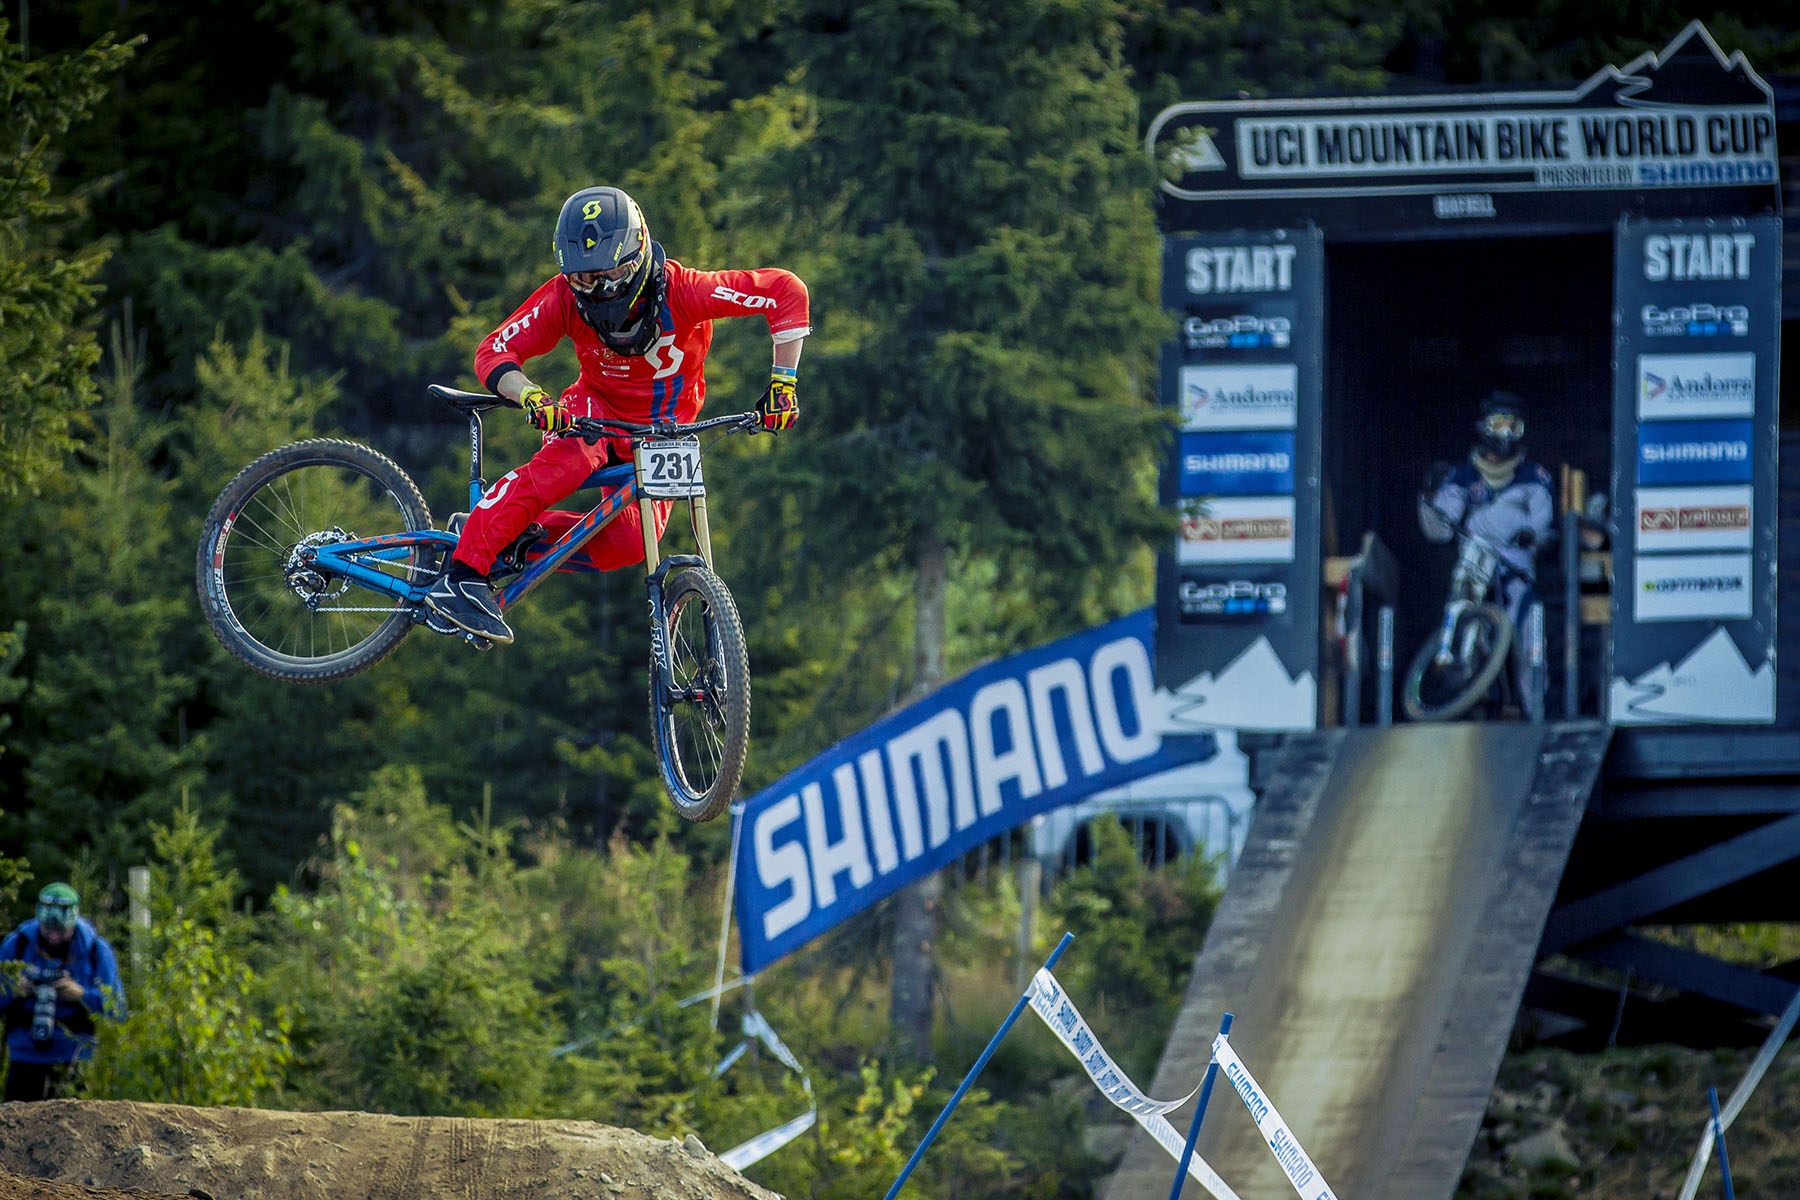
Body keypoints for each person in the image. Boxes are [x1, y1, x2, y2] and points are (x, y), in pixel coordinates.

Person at [424, 186, 811, 645]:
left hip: (664, 434)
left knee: (630, 544)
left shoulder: (687, 290)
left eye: (607, 274)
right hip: (595, 412)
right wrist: (531, 397)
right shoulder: (564, 299)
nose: (597, 288)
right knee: (569, 462)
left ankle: (500, 534)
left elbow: (786, 290)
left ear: (638, 255)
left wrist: (783, 383)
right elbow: (494, 350)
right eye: (583, 279)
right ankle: (463, 574)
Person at [1, 883, 127, 1101]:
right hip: (24, 1055)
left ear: (74, 922)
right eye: (47, 930)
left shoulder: (96, 951)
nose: (53, 937)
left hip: (76, 1057)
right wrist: (14, 989)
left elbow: (118, 1010)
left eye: (61, 931)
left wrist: (81, 994)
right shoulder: (17, 945)